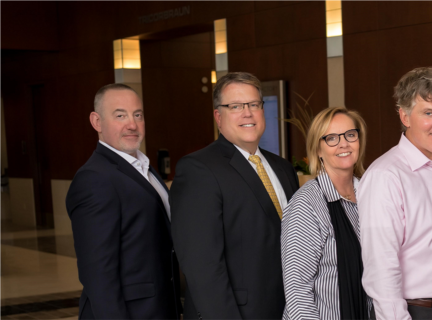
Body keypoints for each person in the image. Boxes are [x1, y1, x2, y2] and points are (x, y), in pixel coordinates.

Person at [171, 72, 299, 319]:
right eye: (236, 106)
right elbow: (202, 268)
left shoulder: (283, 168)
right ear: (218, 116)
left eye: (253, 105)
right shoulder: (199, 169)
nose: (247, 113)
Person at [359, 67, 432, 320]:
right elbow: (381, 269)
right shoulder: (385, 176)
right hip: (416, 312)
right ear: (405, 116)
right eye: (429, 113)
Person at [66, 83, 181, 319]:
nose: (132, 124)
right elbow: (97, 273)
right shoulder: (94, 178)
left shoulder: (144, 168)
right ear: (97, 122)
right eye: (120, 115)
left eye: (137, 115)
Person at [282, 107, 371, 320]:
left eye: (350, 135)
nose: (343, 144)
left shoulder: (371, 194)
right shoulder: (307, 204)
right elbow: (297, 295)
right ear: (318, 150)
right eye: (331, 138)